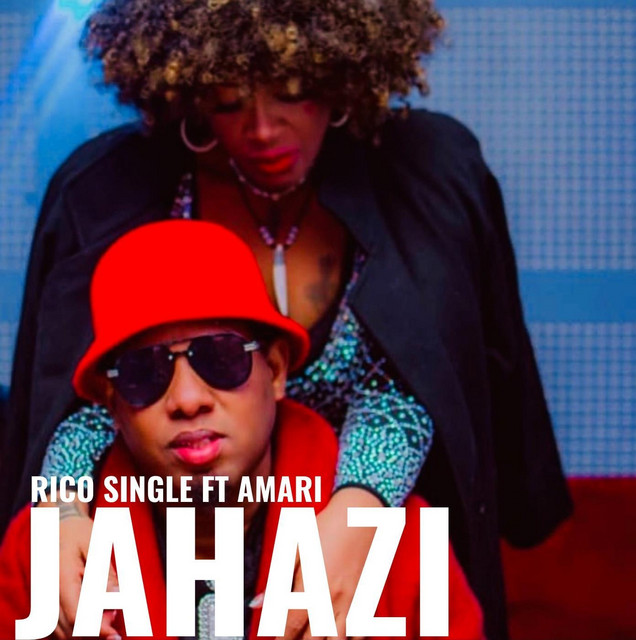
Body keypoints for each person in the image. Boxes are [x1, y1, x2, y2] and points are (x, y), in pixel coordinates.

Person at [0, 1, 572, 638]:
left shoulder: (430, 178)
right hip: (172, 536)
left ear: (343, 71)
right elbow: (97, 389)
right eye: (226, 101)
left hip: (384, 543)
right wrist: (59, 507)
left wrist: (363, 506)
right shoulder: (104, 193)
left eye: (295, 92)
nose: (263, 129)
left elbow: (446, 375)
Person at [0, 220, 485, 640]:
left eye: (221, 357)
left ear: (275, 370)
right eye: (144, 373)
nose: (188, 398)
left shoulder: (400, 542)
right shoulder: (43, 552)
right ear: (111, 404)